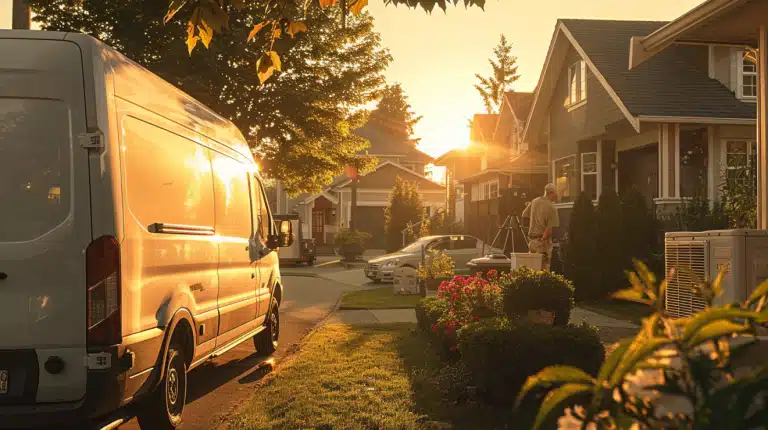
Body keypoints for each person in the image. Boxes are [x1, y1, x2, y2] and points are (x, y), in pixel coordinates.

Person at [521, 183, 560, 270]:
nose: (557, 195)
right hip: (542, 243)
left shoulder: (534, 201)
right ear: (552, 193)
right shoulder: (552, 208)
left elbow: (524, 215)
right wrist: (541, 241)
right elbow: (549, 230)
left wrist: (532, 226)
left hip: (532, 241)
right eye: (556, 193)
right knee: (543, 270)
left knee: (531, 269)